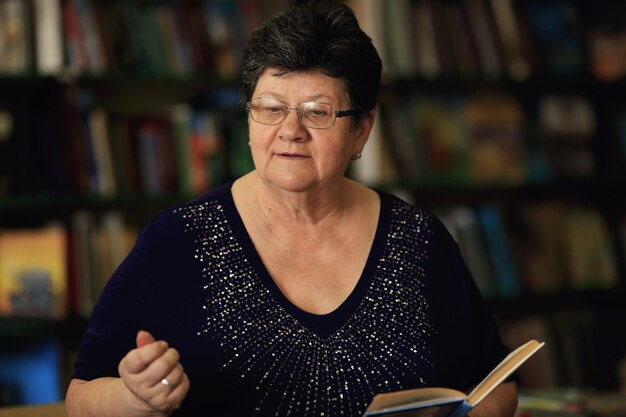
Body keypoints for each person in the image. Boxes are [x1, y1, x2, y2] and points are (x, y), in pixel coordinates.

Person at [65, 1, 518, 416]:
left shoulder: (418, 239)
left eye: (317, 112)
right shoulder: (180, 239)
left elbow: (495, 381)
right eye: (270, 108)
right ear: (247, 119)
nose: (290, 131)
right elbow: (80, 396)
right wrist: (134, 397)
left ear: (362, 129)